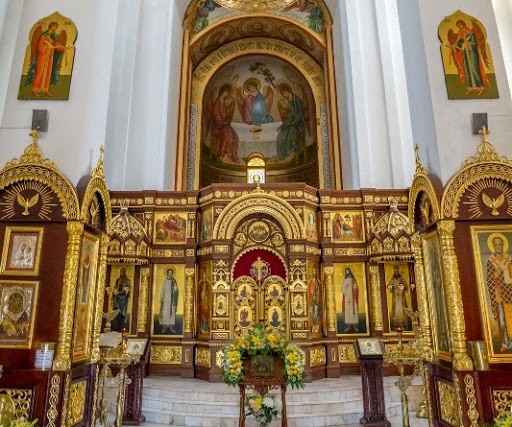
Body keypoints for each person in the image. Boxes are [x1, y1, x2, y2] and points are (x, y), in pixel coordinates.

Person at [444, 20, 490, 96]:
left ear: (463, 24)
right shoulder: (460, 34)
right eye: (458, 25)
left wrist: (467, 43)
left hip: (472, 53)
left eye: (460, 25)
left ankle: (481, 87)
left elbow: (475, 44)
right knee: (467, 69)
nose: (460, 26)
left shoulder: (470, 33)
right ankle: (471, 88)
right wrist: (450, 46)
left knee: (474, 69)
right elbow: (457, 45)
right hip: (465, 54)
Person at [26, 21, 71, 97]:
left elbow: (56, 45)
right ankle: (34, 90)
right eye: (54, 26)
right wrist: (47, 47)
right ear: (50, 26)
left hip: (49, 58)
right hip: (42, 57)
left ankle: (45, 90)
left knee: (48, 74)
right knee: (40, 73)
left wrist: (65, 47)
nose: (54, 28)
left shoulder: (52, 37)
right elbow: (39, 47)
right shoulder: (44, 35)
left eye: (56, 27)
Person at [486, 234, 512, 352]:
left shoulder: (509, 259)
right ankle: (505, 343)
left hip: (510, 293)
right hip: (499, 295)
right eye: (496, 245)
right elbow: (489, 279)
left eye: (500, 244)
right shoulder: (491, 261)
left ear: (503, 245)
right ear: (493, 246)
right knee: (502, 321)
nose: (498, 247)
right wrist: (496, 274)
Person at [210, 83, 239, 163]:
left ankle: (230, 154)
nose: (226, 93)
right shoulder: (218, 101)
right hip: (217, 126)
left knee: (235, 136)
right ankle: (222, 154)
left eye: (227, 92)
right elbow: (215, 115)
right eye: (225, 92)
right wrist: (222, 122)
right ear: (221, 92)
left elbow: (225, 114)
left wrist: (227, 121)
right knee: (228, 136)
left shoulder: (223, 101)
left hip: (223, 124)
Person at [276, 83, 305, 160]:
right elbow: (289, 116)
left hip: (298, 124)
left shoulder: (296, 100)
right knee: (280, 137)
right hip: (289, 123)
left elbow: (300, 114)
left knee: (292, 132)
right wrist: (282, 126)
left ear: (288, 90)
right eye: (283, 93)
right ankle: (281, 156)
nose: (285, 94)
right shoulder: (288, 101)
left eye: (285, 92)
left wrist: (294, 123)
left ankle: (293, 152)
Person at [387, 265, 409, 330]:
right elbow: (389, 285)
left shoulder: (402, 279)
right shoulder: (392, 279)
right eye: (395, 271)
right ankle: (396, 324)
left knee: (402, 308)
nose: (396, 272)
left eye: (397, 271)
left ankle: (404, 324)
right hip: (395, 296)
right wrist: (390, 286)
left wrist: (402, 287)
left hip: (401, 296)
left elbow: (405, 286)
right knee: (395, 309)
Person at [159, 268, 179, 334]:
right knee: (164, 312)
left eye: (171, 272)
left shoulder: (174, 281)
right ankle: (164, 327)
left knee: (172, 313)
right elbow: (162, 290)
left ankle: (171, 327)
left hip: (172, 299)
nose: (170, 273)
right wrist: (161, 298)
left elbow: (176, 290)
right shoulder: (164, 281)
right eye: (169, 272)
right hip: (165, 299)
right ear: (167, 273)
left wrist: (175, 291)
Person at [111, 267, 131, 332]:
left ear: (125, 272)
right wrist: (114, 293)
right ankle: (116, 327)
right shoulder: (117, 280)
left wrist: (119, 293)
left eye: (123, 271)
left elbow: (127, 290)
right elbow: (115, 287)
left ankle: (121, 326)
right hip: (117, 299)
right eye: (121, 271)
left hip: (123, 300)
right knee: (116, 311)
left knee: (122, 312)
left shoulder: (127, 281)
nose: (121, 272)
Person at [341, 268, 359, 332]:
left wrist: (354, 287)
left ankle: (354, 325)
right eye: (346, 271)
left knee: (353, 311)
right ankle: (348, 326)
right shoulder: (345, 279)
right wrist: (346, 287)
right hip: (347, 297)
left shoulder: (353, 279)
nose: (347, 272)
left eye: (348, 271)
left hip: (353, 297)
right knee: (348, 311)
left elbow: (356, 287)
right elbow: (343, 288)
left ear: (350, 271)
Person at [198, 268, 211, 334]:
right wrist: (201, 294)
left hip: (206, 300)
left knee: (206, 313)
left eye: (205, 274)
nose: (204, 275)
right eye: (203, 274)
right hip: (201, 301)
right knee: (202, 313)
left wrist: (205, 294)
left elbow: (211, 287)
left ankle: (205, 327)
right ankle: (202, 328)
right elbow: (197, 290)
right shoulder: (200, 282)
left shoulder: (207, 282)